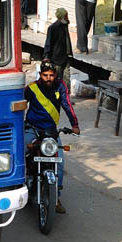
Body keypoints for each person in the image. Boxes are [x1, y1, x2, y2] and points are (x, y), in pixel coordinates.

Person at [24, 59, 80, 214]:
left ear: (55, 75)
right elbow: (20, 104)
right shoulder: (32, 88)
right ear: (40, 75)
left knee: (59, 162)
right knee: (21, 153)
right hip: (32, 128)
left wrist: (75, 124)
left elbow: (67, 105)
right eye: (45, 75)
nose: (48, 78)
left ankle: (56, 198)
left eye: (51, 75)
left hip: (51, 131)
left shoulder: (60, 86)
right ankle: (19, 186)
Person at [42, 7, 72, 84]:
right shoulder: (52, 28)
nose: (67, 17)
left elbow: (67, 40)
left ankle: (66, 91)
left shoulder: (65, 25)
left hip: (65, 56)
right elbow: (48, 43)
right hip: (56, 58)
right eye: (65, 16)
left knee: (66, 78)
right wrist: (46, 56)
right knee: (57, 78)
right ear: (61, 16)